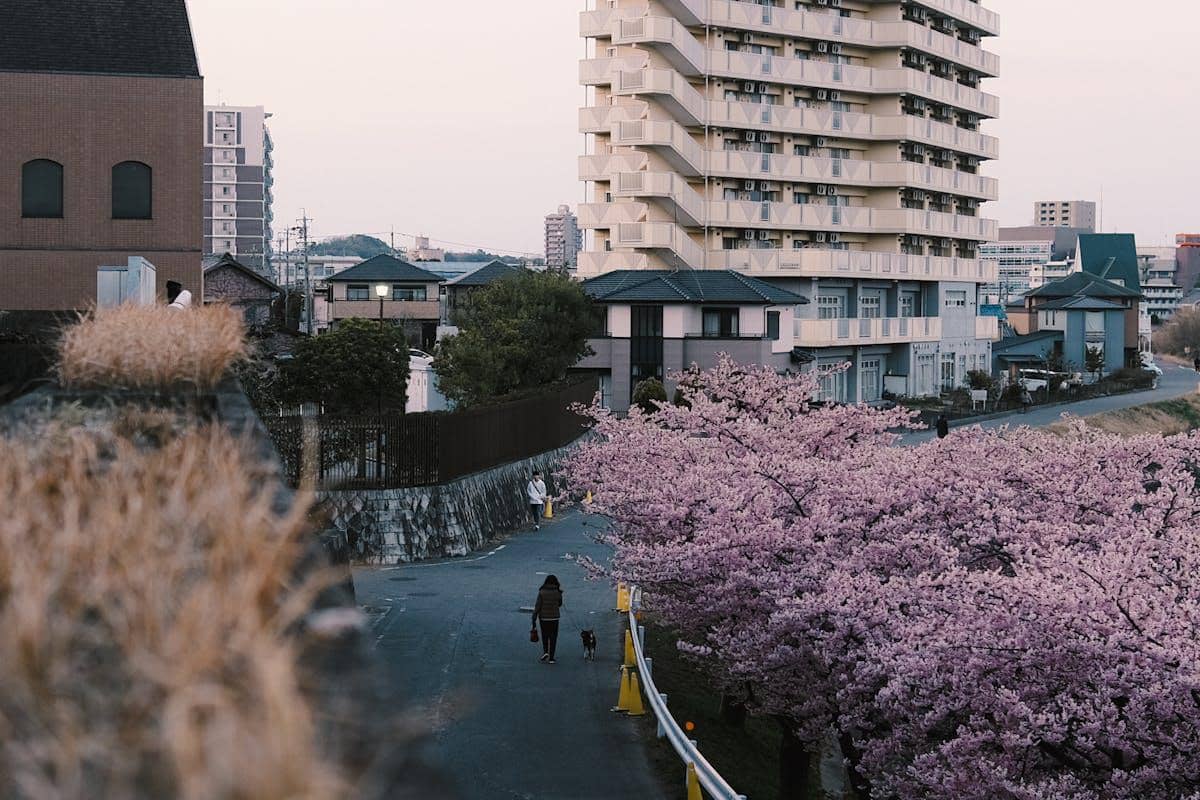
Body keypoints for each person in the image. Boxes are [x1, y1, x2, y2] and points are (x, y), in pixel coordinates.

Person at [531, 575, 563, 663]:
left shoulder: (542, 592)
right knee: (553, 637)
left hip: (544, 617)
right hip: (554, 618)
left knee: (545, 635)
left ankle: (545, 652)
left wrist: (534, 617)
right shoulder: (557, 592)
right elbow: (560, 604)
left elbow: (538, 605)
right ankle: (551, 658)